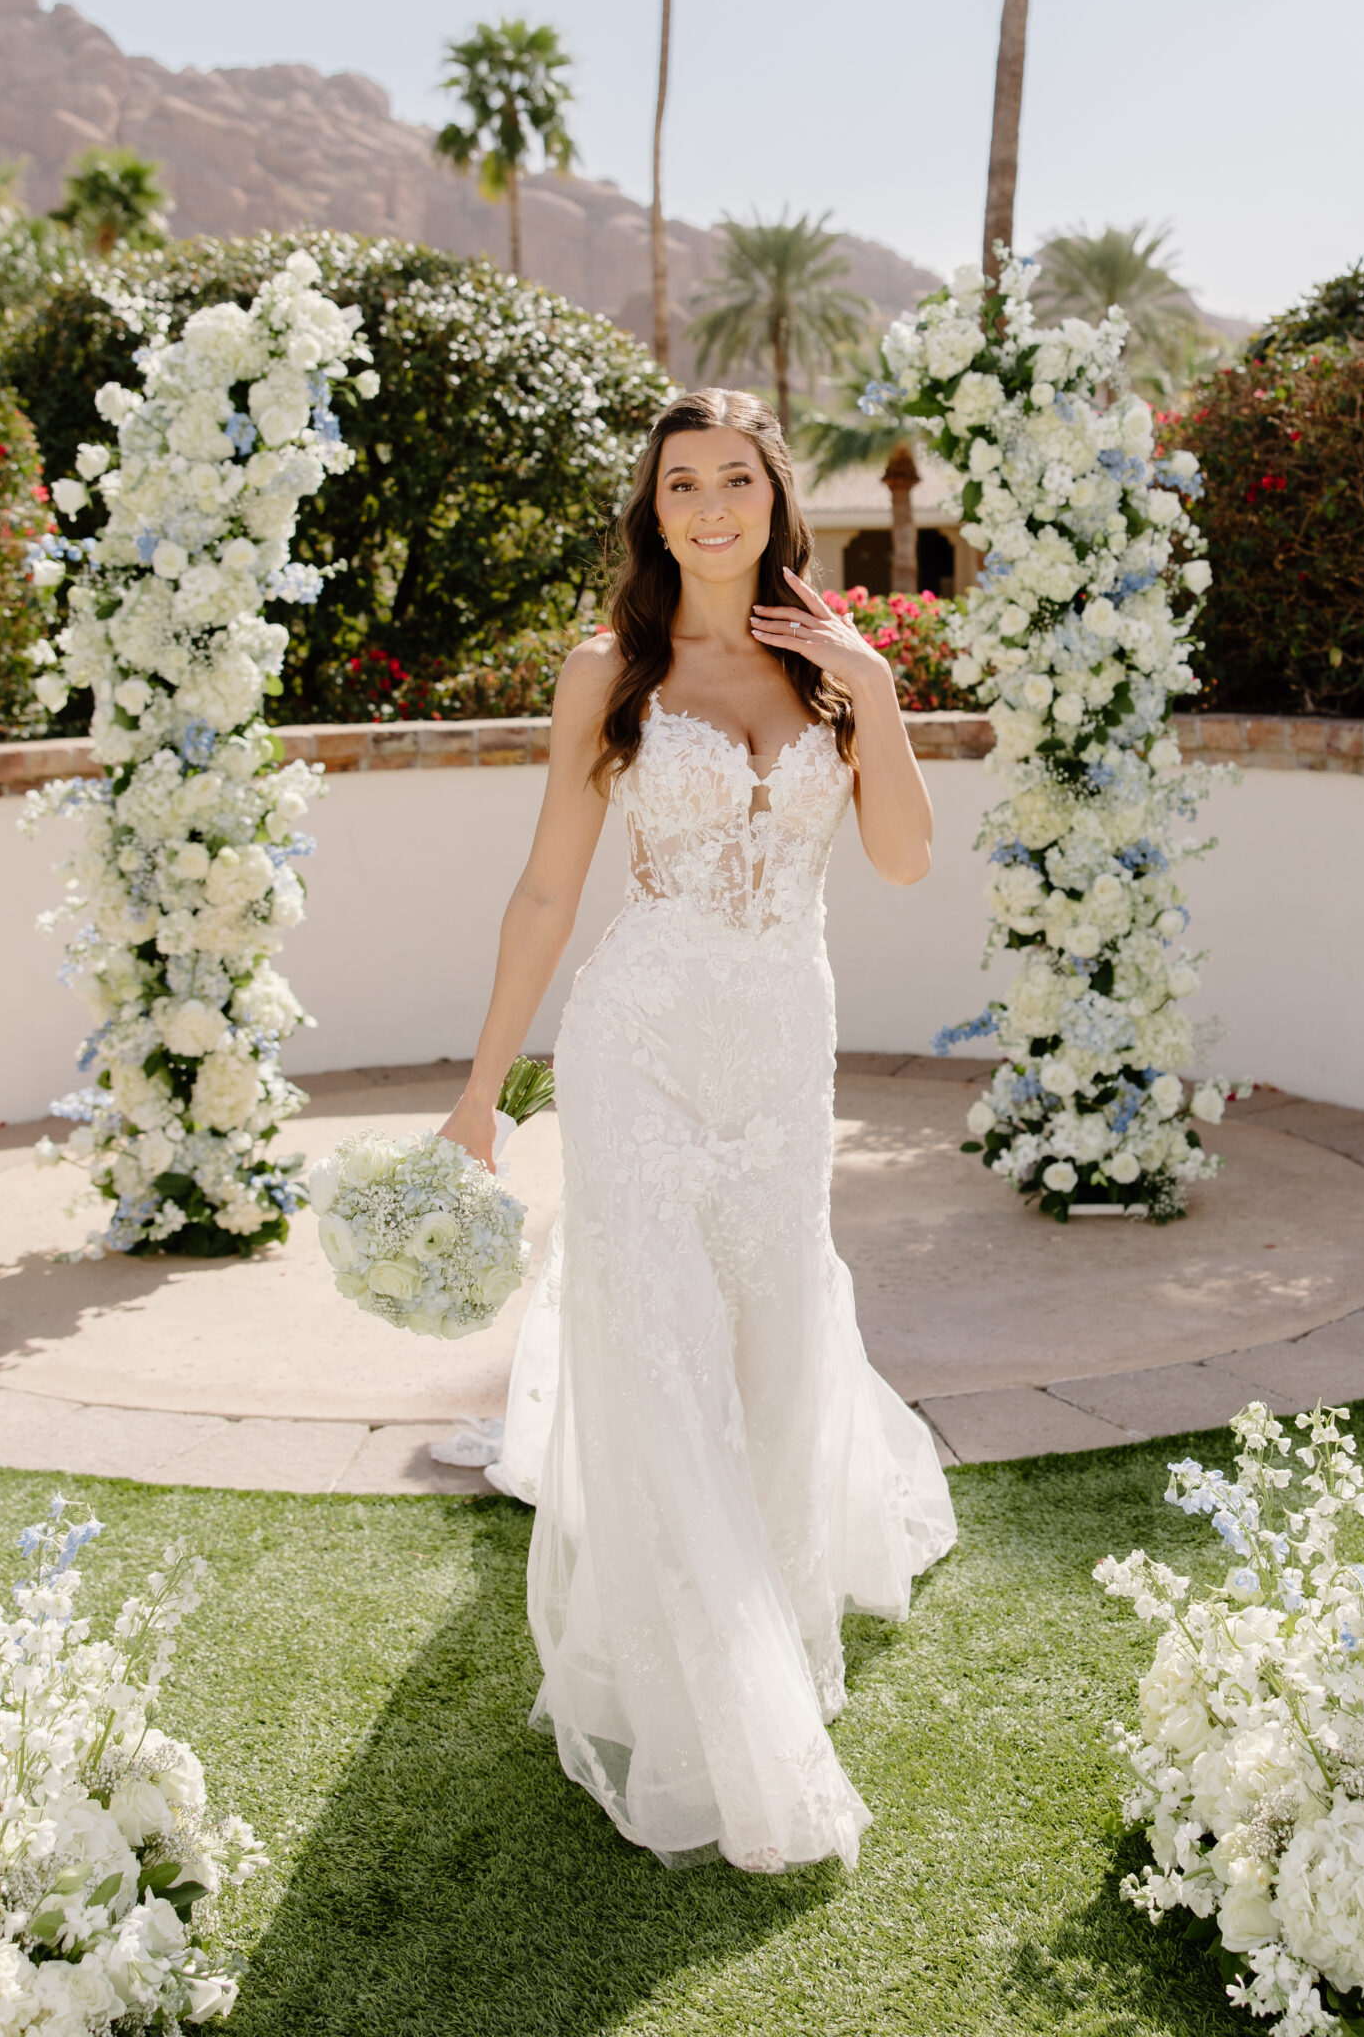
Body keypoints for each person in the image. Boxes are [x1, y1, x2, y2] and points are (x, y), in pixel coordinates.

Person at [441, 386, 957, 1872]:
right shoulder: (610, 668)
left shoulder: (835, 669)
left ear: (776, 502)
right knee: (661, 1341)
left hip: (782, 1051)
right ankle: (715, 1700)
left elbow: (906, 861)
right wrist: (486, 1088)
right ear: (653, 511)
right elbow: (549, 889)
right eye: (683, 485)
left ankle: (773, 1594)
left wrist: (871, 682)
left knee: (769, 1334)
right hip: (639, 1046)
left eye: (737, 480)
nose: (711, 507)